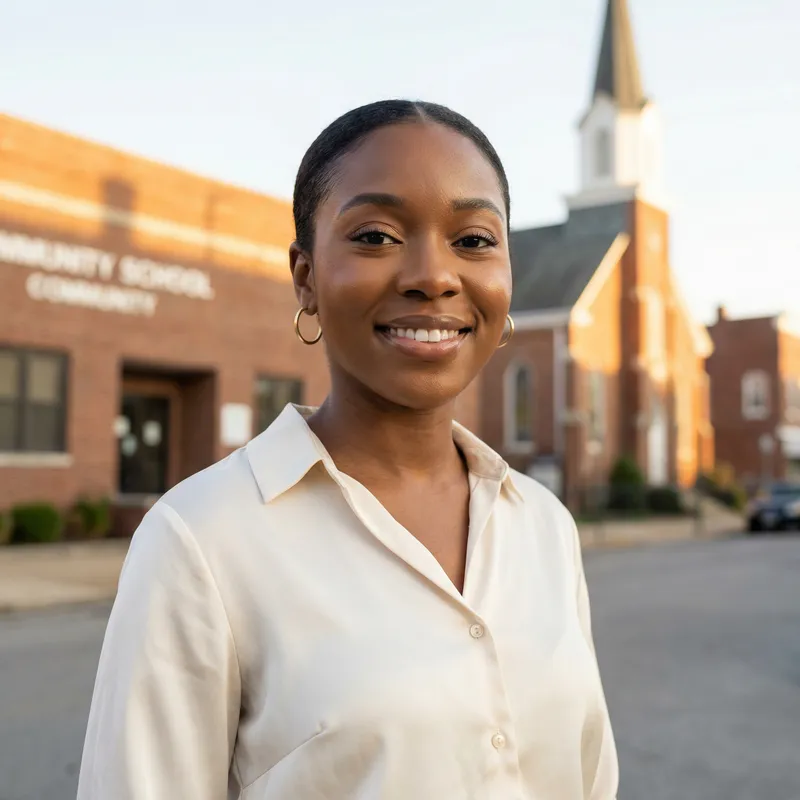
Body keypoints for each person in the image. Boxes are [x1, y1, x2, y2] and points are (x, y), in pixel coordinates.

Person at [77, 99, 618, 800]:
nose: (434, 274)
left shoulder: (543, 525)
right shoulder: (202, 543)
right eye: (376, 235)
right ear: (305, 277)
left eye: (475, 240)